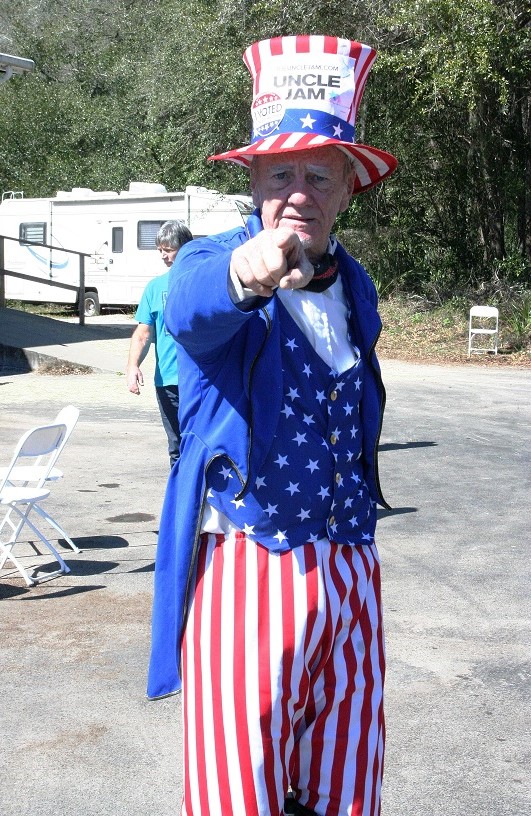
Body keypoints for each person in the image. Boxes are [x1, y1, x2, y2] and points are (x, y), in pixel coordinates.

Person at [148, 35, 398, 816]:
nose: (298, 192)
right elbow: (191, 309)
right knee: (238, 795)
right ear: (251, 179)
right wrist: (242, 274)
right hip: (251, 563)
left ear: (348, 188)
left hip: (353, 566)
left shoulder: (353, 281)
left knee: (348, 786)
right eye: (280, 172)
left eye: (319, 174)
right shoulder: (209, 261)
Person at [126, 220, 193, 467]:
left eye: (169, 250)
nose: (164, 256)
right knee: (176, 447)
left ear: (186, 247)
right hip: (167, 381)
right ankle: (182, 502)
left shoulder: (202, 280)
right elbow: (143, 333)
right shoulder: (154, 287)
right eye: (160, 250)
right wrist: (132, 366)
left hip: (201, 379)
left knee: (201, 445)